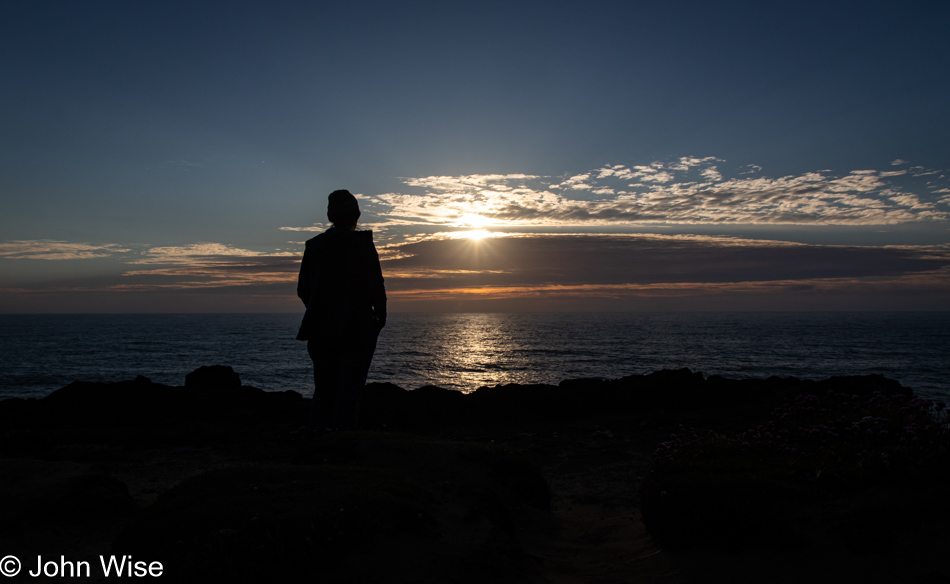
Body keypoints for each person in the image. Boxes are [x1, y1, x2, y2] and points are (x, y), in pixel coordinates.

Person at [296, 189, 386, 432]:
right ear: (356, 215)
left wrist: (321, 310)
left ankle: (319, 441)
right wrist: (379, 318)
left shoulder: (314, 246)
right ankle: (341, 446)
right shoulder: (361, 244)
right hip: (357, 328)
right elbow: (376, 285)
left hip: (320, 329)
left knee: (324, 389)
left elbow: (303, 289)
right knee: (349, 391)